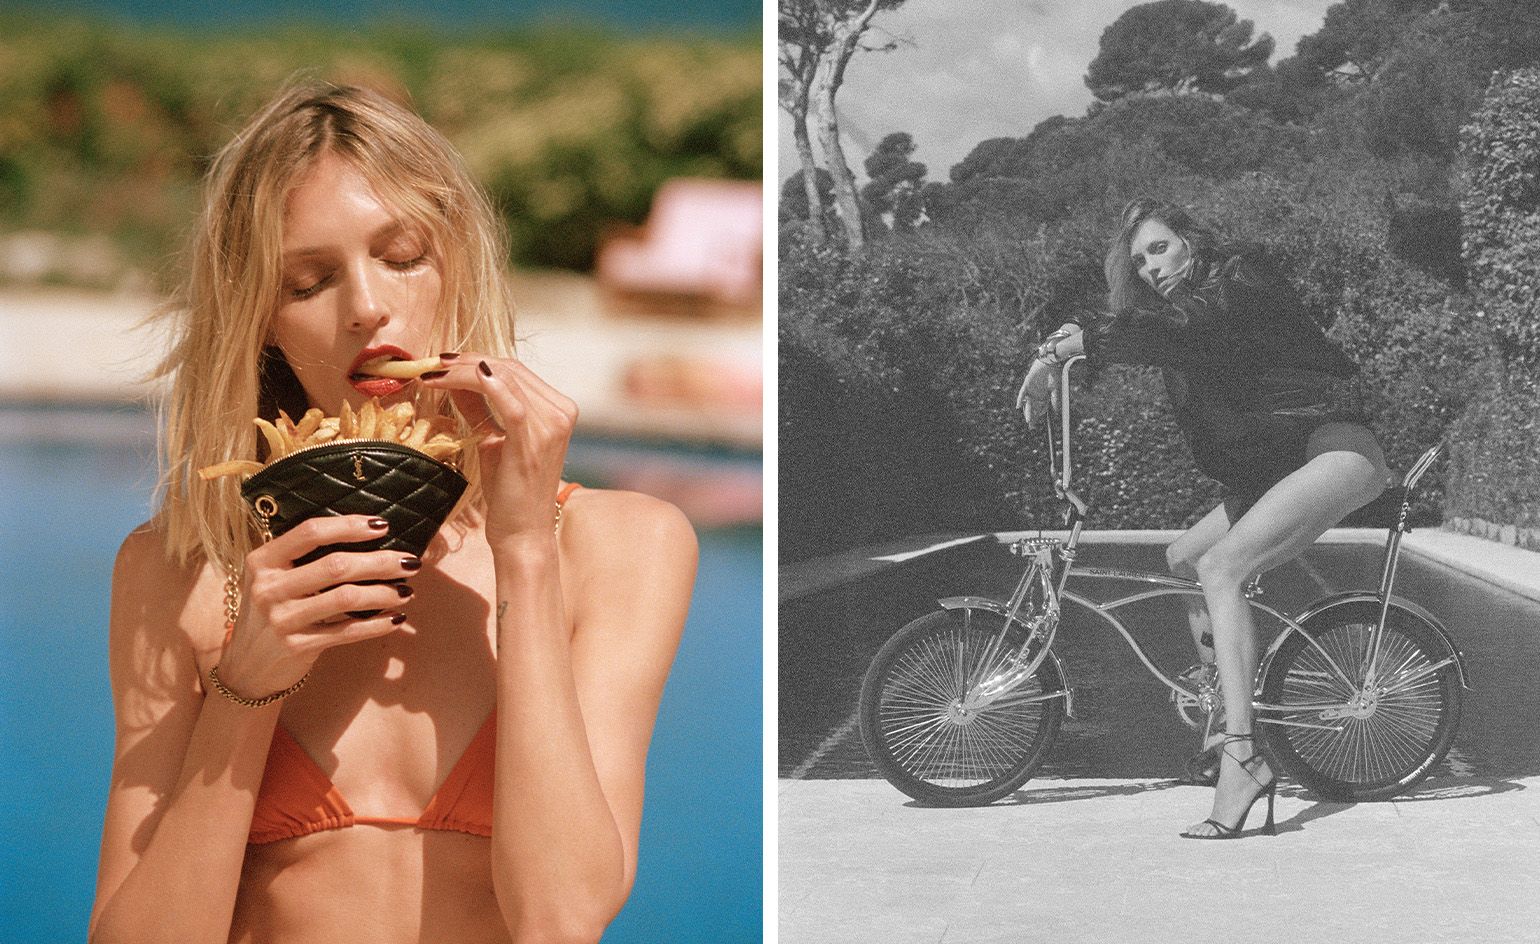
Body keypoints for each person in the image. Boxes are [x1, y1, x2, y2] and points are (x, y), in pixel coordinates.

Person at [88, 83, 697, 942]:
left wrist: (523, 547)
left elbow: (561, 918)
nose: (366, 306)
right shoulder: (182, 569)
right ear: (262, 316)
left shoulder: (622, 543)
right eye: (310, 279)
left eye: (403, 255)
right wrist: (246, 691)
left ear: (458, 263)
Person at [1018, 198, 1390, 839]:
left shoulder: (1241, 279)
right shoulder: (1175, 318)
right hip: (1277, 469)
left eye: (1158, 249)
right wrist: (1051, 354)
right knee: (1184, 558)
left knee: (1222, 568)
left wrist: (1079, 348)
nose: (1148, 268)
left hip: (1335, 449)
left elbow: (1189, 327)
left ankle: (1244, 757)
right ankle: (1224, 718)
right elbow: (1131, 325)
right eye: (1137, 262)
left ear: (1192, 241)